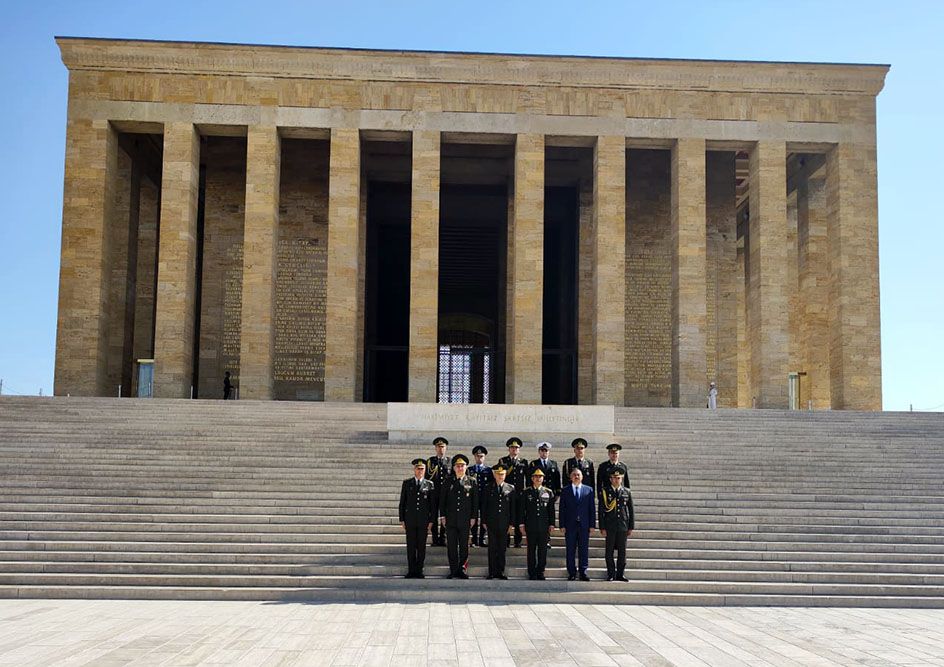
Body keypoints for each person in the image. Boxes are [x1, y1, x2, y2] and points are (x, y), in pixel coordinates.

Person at [439, 453, 478, 579]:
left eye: (462, 466)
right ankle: (453, 569)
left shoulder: (471, 482)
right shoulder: (448, 481)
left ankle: (462, 569)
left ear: (466, 467)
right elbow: (442, 500)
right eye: (457, 466)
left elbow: (475, 502)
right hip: (450, 519)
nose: (460, 468)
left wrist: (473, 517)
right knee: (451, 546)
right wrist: (442, 516)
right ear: (454, 467)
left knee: (463, 547)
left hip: (465, 519)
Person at [399, 458, 435, 578]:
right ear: (414, 469)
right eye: (418, 468)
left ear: (425, 470)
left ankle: (419, 570)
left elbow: (432, 506)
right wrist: (402, 519)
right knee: (411, 546)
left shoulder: (429, 484)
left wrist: (431, 521)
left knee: (421, 547)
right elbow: (402, 503)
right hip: (410, 520)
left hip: (423, 521)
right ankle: (411, 570)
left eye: (422, 469)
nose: (420, 471)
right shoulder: (407, 483)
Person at [558, 468, 596, 581]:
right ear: (570, 477)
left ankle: (583, 571)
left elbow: (592, 509)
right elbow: (562, 509)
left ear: (582, 477)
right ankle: (572, 572)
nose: (576, 477)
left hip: (584, 525)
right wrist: (562, 525)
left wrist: (592, 524)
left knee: (584, 549)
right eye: (574, 475)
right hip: (570, 525)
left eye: (578, 475)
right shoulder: (565, 490)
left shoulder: (588, 490)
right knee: (570, 549)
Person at [519, 467, 556, 580]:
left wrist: (552, 524)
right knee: (531, 550)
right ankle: (532, 572)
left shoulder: (548, 492)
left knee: (542, 550)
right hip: (531, 525)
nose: (538, 479)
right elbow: (522, 509)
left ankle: (541, 571)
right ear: (532, 478)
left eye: (540, 477)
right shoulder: (527, 492)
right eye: (536, 477)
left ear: (543, 479)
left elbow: (551, 510)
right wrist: (521, 524)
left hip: (543, 526)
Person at [599, 469, 634, 582]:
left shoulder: (626, 492)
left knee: (622, 552)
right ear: (610, 479)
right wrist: (602, 527)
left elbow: (631, 510)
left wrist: (631, 526)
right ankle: (611, 574)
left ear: (622, 479)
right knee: (609, 551)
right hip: (610, 526)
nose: (616, 480)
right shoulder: (605, 491)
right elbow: (601, 511)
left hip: (622, 526)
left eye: (618, 478)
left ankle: (620, 574)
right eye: (614, 478)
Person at [481, 464, 516, 580]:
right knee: (492, 548)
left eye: (502, 474)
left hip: (504, 523)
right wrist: (484, 521)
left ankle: (500, 571)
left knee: (502, 548)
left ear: (505, 475)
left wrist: (511, 524)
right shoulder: (488, 488)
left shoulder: (510, 488)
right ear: (494, 474)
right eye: (498, 474)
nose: (500, 476)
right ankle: (491, 572)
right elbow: (484, 505)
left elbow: (512, 508)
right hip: (491, 523)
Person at [497, 437, 529, 548]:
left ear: (519, 449)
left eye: (516, 448)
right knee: (507, 516)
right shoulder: (503, 461)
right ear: (509, 449)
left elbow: (528, 478)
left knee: (519, 516)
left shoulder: (524, 462)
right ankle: (506, 540)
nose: (514, 449)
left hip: (519, 494)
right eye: (512, 447)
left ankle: (517, 540)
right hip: (506, 493)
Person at [531, 442, 561, 552]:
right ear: (539, 452)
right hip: (537, 494)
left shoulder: (553, 464)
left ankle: (547, 539)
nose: (544, 453)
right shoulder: (534, 464)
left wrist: (557, 493)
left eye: (546, 451)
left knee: (548, 516)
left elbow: (557, 479)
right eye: (542, 451)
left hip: (549, 494)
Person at [426, 436, 450, 546]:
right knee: (434, 516)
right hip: (434, 493)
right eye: (438, 447)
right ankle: (435, 539)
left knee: (445, 516)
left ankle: (443, 538)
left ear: (446, 448)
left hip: (446, 494)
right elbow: (427, 478)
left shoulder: (449, 461)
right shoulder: (430, 461)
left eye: (442, 447)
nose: (440, 449)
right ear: (435, 448)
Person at [468, 445, 491, 547]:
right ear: (474, 457)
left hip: (484, 498)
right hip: (473, 497)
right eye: (477, 456)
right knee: (473, 517)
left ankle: (481, 539)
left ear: (484, 457)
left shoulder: (489, 470)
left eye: (481, 456)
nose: (479, 458)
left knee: (484, 518)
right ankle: (473, 539)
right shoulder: (469, 470)